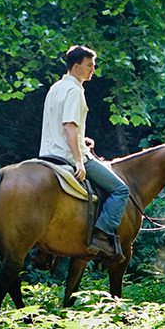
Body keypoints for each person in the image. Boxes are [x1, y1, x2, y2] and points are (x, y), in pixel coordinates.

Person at [39, 45, 130, 257]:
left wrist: (82, 139)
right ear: (77, 65)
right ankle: (100, 235)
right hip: (69, 157)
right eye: (90, 65)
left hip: (47, 155)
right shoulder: (75, 91)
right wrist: (79, 161)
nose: (93, 70)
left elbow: (61, 126)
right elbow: (69, 126)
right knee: (121, 190)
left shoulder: (56, 87)